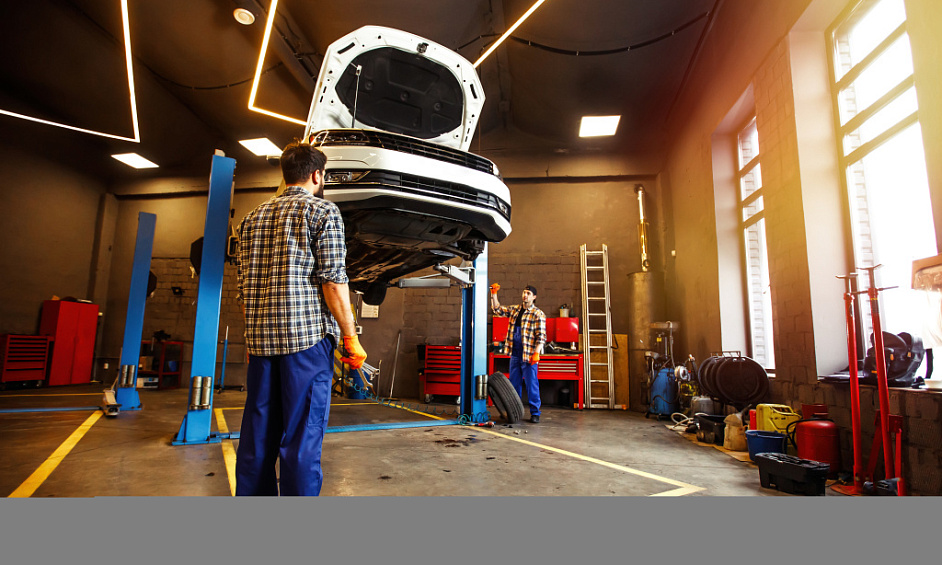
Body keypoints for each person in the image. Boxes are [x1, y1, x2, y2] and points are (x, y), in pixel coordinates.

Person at [235, 140, 367, 496]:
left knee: (257, 436)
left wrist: (252, 340)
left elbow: (244, 289)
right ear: (317, 175)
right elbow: (333, 282)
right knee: (302, 436)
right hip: (305, 345)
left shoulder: (250, 219)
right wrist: (350, 337)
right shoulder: (323, 213)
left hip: (261, 346)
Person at [490, 283, 546, 423]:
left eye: (528, 293)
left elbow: (541, 336)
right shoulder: (515, 310)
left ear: (534, 297)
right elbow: (497, 310)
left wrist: (537, 352)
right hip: (515, 354)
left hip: (529, 355)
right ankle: (514, 411)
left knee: (531, 385)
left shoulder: (537, 314)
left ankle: (535, 413)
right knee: (514, 386)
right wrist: (494, 294)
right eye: (524, 292)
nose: (525, 295)